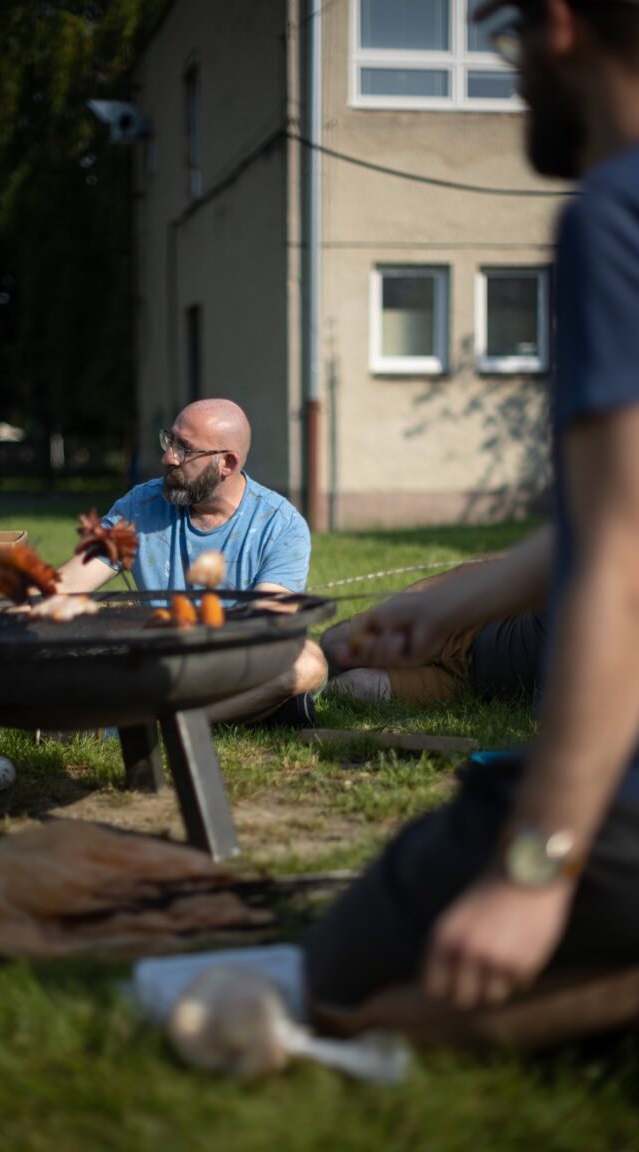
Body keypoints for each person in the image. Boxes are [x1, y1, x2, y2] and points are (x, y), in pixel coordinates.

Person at [304, 0, 639, 1012]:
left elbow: (618, 566)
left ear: (561, 26)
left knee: (337, 978)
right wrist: (458, 604)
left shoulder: (612, 214)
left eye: (507, 44)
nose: (512, 76)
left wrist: (536, 873)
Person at [57, 398, 327, 727]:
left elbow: (263, 627)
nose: (168, 457)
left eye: (185, 449)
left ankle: (160, 722)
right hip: (156, 661)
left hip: (232, 664)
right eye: (169, 440)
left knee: (309, 662)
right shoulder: (140, 506)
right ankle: (233, 713)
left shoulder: (281, 525)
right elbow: (68, 584)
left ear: (227, 463)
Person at [321, 554, 547, 706]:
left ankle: (311, 692)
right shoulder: (569, 555)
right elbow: (496, 568)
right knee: (335, 642)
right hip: (466, 624)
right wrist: (412, 602)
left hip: (465, 684)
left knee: (354, 688)